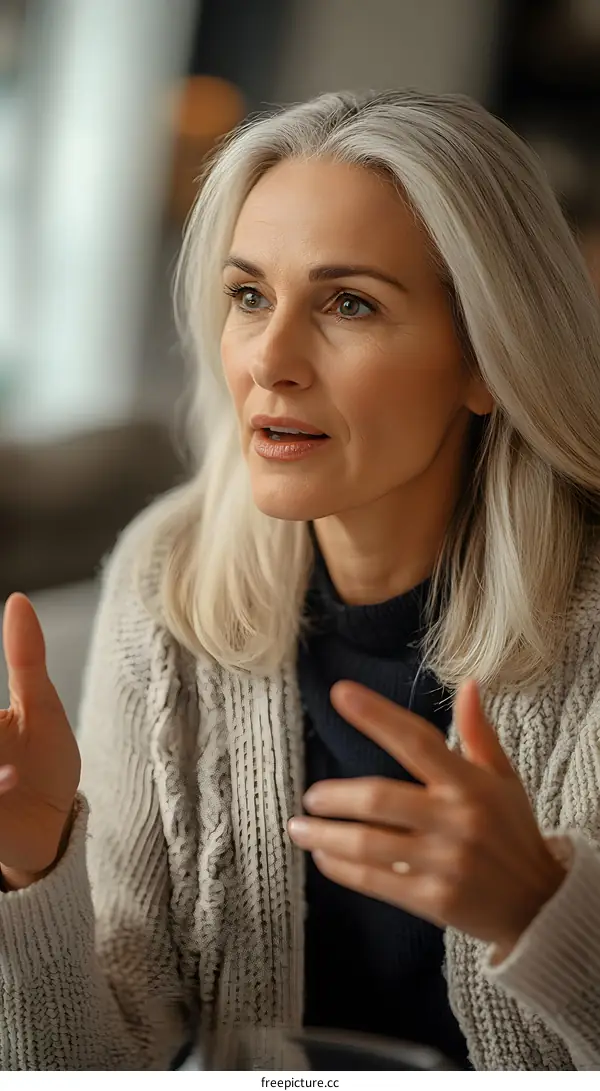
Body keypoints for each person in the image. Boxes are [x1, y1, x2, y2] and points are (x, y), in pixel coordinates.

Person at [0, 89, 600, 1072]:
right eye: (248, 296)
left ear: (487, 355)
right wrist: (32, 873)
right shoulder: (168, 577)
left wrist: (544, 909)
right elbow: (103, 1060)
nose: (271, 360)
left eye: (348, 303)